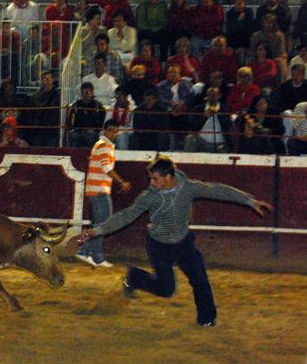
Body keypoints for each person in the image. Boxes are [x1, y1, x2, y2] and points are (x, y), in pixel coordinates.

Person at [79, 155, 273, 327]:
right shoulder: (149, 197)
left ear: (168, 178)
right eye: (151, 179)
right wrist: (96, 231)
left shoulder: (188, 188)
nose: (152, 183)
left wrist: (250, 201)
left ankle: (207, 319)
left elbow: (218, 190)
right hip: (159, 245)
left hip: (183, 242)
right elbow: (126, 216)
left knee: (200, 279)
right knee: (166, 289)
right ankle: (134, 277)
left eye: (155, 179)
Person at [75, 119, 131, 268]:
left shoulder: (101, 145)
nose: (113, 133)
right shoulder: (105, 146)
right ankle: (93, 255)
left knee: (99, 223)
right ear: (104, 130)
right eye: (111, 130)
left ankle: (87, 252)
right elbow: (106, 168)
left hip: (97, 188)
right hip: (99, 189)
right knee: (103, 224)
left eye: (115, 131)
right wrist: (121, 182)